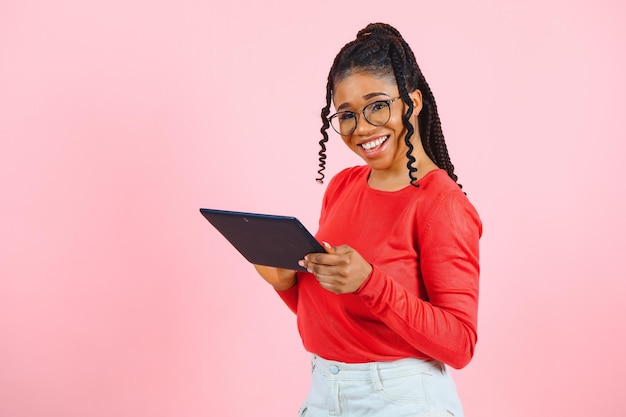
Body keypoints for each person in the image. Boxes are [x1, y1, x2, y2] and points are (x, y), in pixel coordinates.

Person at [254, 22, 482, 417]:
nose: (362, 128)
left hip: (402, 397)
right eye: (346, 114)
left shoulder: (441, 204)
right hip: (325, 390)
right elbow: (348, 319)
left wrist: (370, 282)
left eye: (378, 106)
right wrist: (286, 284)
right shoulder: (343, 186)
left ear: (413, 101)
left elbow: (460, 344)